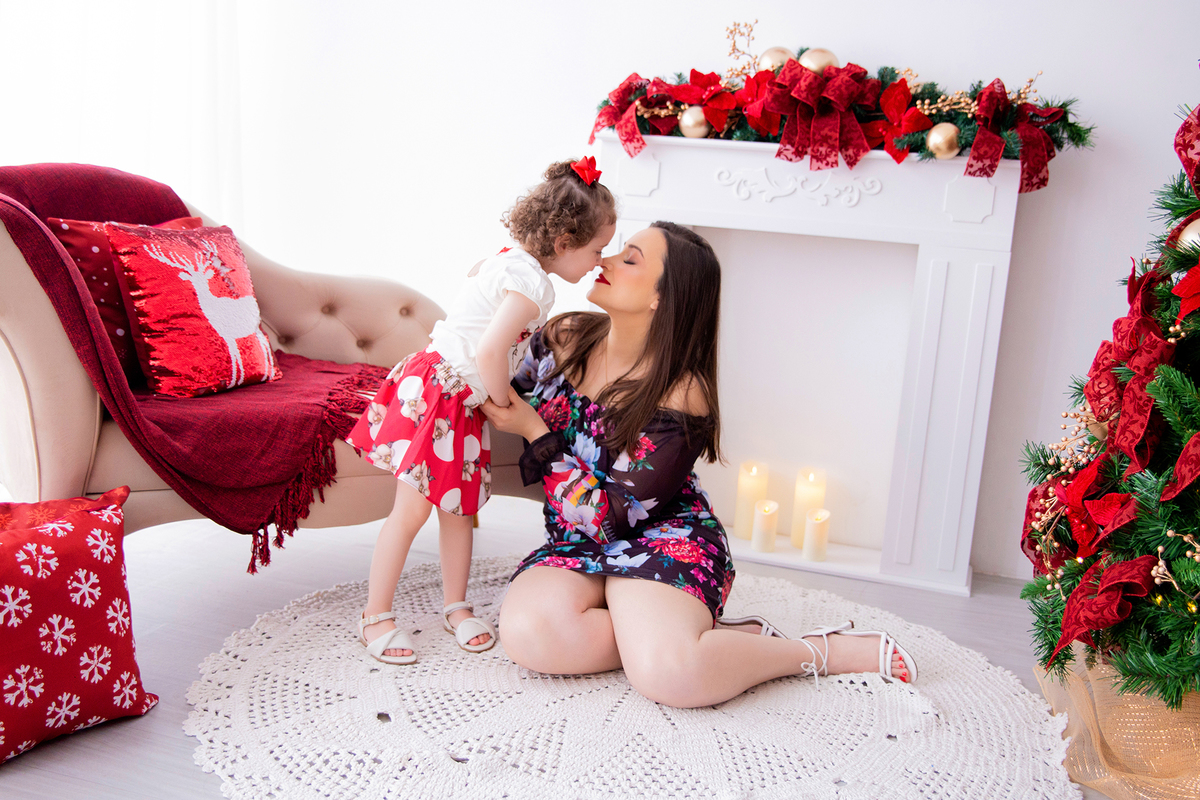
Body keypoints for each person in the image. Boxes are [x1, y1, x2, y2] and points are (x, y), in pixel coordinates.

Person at [483, 221, 916, 708]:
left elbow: (613, 517)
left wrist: (536, 433)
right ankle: (697, 637)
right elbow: (497, 402)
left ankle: (813, 651)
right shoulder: (563, 337)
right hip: (573, 540)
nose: (603, 260)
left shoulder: (682, 392)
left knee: (670, 677)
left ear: (661, 300)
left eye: (629, 260)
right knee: (529, 636)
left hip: (659, 537)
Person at [346, 158, 616, 665]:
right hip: (445, 396)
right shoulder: (535, 286)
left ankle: (456, 604)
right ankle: (375, 614)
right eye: (597, 249)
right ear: (562, 242)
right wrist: (503, 403)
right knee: (411, 513)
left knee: (460, 509)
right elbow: (492, 351)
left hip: (449, 394)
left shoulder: (511, 260)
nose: (600, 261)